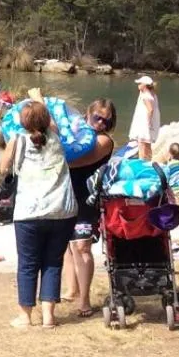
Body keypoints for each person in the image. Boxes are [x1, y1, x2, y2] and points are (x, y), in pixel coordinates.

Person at [0, 101, 77, 329]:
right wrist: (42, 103)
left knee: (28, 264)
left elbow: (3, 168)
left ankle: (25, 316)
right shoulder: (56, 136)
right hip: (62, 210)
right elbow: (50, 123)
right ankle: (48, 317)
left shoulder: (17, 139)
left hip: (29, 213)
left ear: (22, 122)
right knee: (53, 263)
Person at [63, 98, 117, 318]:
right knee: (67, 245)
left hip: (87, 199)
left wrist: (52, 156)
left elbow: (78, 161)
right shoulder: (76, 134)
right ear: (88, 114)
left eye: (107, 120)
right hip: (65, 195)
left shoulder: (104, 141)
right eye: (98, 117)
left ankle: (85, 300)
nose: (101, 123)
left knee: (83, 247)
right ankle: (71, 290)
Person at [129, 76, 160, 160]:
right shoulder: (150, 94)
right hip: (146, 122)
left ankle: (141, 161)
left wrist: (148, 122)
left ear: (145, 85)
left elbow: (150, 110)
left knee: (142, 144)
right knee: (147, 144)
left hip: (144, 123)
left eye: (140, 83)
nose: (138, 85)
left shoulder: (146, 96)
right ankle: (149, 161)